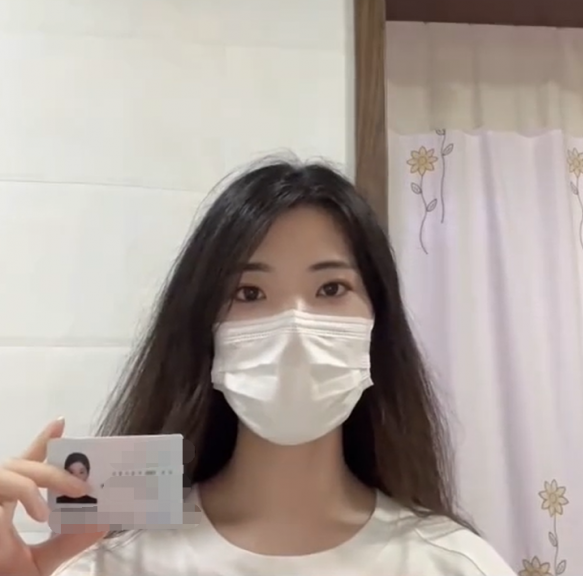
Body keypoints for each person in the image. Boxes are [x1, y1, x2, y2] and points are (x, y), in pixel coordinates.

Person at [0, 159, 517, 576]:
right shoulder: (115, 565)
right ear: (204, 329)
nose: (294, 327)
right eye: (249, 293)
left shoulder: (454, 564)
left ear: (377, 323)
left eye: (331, 288)